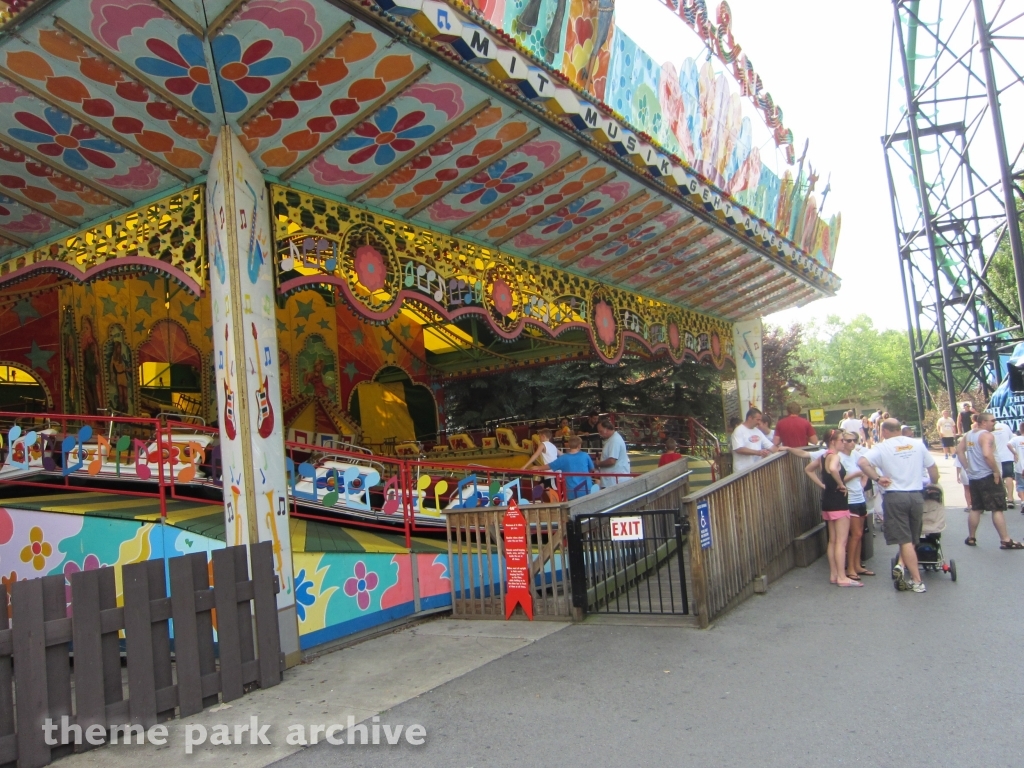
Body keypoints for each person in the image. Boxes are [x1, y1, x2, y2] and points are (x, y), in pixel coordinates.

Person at [857, 418, 939, 593]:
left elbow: (862, 462)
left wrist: (877, 478)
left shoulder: (881, 447)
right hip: (916, 495)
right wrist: (933, 483)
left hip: (895, 495)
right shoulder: (916, 444)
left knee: (904, 539)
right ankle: (902, 565)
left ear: (884, 431)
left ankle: (917, 580)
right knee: (912, 536)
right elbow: (932, 467)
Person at [956, 412, 1024, 549]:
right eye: (992, 421)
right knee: (997, 508)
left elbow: (959, 451)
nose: (994, 423)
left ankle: (971, 537)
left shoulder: (969, 434)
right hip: (988, 476)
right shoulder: (986, 435)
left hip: (975, 477)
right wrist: (995, 471)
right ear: (983, 422)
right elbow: (987, 454)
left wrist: (968, 468)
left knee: (976, 507)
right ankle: (1005, 540)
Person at [804, 429, 861, 587]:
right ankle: (842, 577)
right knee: (841, 542)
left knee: (832, 540)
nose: (844, 442)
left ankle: (834, 574)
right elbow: (834, 469)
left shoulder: (823, 456)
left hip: (828, 500)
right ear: (833, 441)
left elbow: (808, 470)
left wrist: (823, 485)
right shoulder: (834, 456)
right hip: (838, 500)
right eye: (842, 440)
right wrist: (841, 484)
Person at [839, 432, 873, 579]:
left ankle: (857, 565)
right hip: (849, 499)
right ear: (842, 442)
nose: (852, 443)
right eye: (849, 440)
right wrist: (855, 474)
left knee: (860, 534)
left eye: (854, 440)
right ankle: (850, 567)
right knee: (855, 534)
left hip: (860, 497)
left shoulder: (856, 455)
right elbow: (839, 479)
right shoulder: (839, 458)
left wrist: (864, 481)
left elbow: (867, 466)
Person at [731, 408, 777, 473]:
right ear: (750, 418)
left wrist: (780, 451)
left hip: (756, 470)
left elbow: (770, 446)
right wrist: (758, 452)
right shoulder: (738, 431)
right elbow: (739, 449)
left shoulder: (758, 431)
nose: (758, 422)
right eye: (757, 420)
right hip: (742, 471)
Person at [595, 419, 630, 487]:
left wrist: (599, 463)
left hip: (614, 481)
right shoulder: (613, 439)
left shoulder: (614, 441)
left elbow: (612, 461)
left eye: (601, 431)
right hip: (613, 480)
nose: (600, 434)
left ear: (607, 429)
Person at [991, 419, 1017, 509]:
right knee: (1009, 476)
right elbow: (1011, 439)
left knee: (998, 477)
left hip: (996, 456)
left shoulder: (989, 430)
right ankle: (1010, 499)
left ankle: (1001, 498)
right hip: (1007, 456)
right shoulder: (1006, 427)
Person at [1010, 424, 1024, 508]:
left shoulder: (1016, 439)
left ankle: (1023, 501)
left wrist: (1014, 453)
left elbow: (1008, 445)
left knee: (1020, 485)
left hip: (1019, 466)